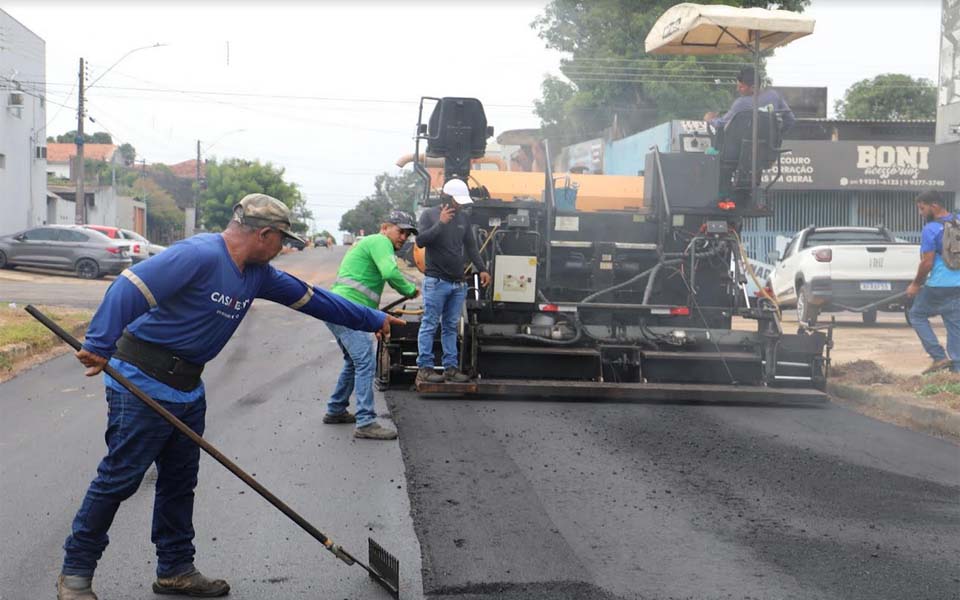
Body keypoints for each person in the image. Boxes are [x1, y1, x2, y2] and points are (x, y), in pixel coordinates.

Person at [57, 194, 402, 600]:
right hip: (141, 379)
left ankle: (175, 569)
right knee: (119, 478)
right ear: (264, 234)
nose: (284, 248)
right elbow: (129, 286)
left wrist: (374, 318)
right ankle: (76, 573)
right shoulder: (199, 254)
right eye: (282, 240)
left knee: (179, 482)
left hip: (187, 387)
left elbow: (313, 298)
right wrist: (99, 341)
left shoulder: (257, 274)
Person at [325, 211, 420, 439]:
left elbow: (364, 291)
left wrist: (373, 320)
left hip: (344, 308)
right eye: (400, 231)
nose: (404, 237)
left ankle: (336, 409)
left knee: (353, 361)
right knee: (364, 361)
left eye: (407, 234)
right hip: (347, 309)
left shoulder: (370, 243)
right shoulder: (380, 241)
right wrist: (409, 289)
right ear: (385, 227)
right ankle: (366, 422)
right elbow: (389, 272)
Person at [415, 178, 490, 384]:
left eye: (460, 202)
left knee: (450, 326)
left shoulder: (464, 219)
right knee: (429, 324)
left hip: (458, 283)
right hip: (436, 281)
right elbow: (420, 241)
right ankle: (425, 368)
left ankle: (450, 368)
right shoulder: (429, 215)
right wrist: (441, 223)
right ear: (445, 197)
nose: (458, 205)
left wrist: (482, 269)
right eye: (455, 201)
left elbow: (472, 247)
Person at [906, 190, 960, 374]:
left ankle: (939, 357)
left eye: (922, 208)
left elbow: (927, 262)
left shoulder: (930, 229)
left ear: (934, 206)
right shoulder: (959, 220)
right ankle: (957, 371)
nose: (921, 213)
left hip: (938, 285)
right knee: (954, 323)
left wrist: (915, 284)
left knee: (916, 315)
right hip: (958, 286)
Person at [703, 66, 795, 134]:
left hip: (743, 154)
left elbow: (721, 124)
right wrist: (777, 137)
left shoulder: (741, 103)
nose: (737, 89)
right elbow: (790, 119)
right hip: (769, 152)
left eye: (741, 87)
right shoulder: (775, 96)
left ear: (754, 87)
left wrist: (710, 119)